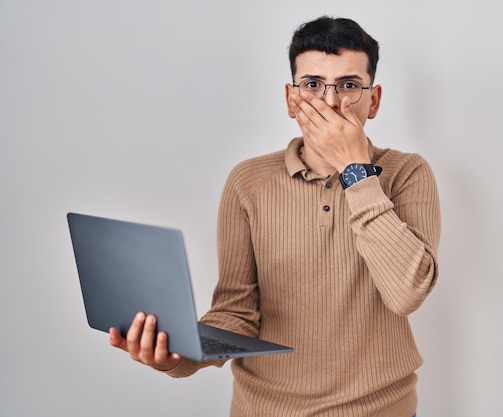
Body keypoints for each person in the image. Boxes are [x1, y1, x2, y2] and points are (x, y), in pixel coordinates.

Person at [110, 16, 440, 417]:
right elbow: (236, 313)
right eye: (313, 85)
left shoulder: (408, 173)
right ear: (290, 99)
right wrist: (178, 358)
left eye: (349, 85)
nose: (331, 102)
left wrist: (355, 170)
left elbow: (406, 294)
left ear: (374, 100)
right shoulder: (248, 181)